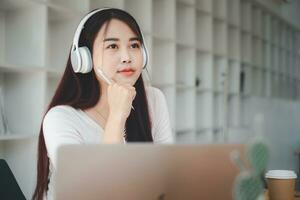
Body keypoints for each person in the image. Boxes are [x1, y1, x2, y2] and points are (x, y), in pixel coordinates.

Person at [32, 8, 174, 200]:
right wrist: (117, 116)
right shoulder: (60, 118)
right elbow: (96, 193)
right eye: (112, 46)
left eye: (134, 45)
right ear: (85, 58)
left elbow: (166, 177)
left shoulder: (154, 100)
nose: (127, 57)